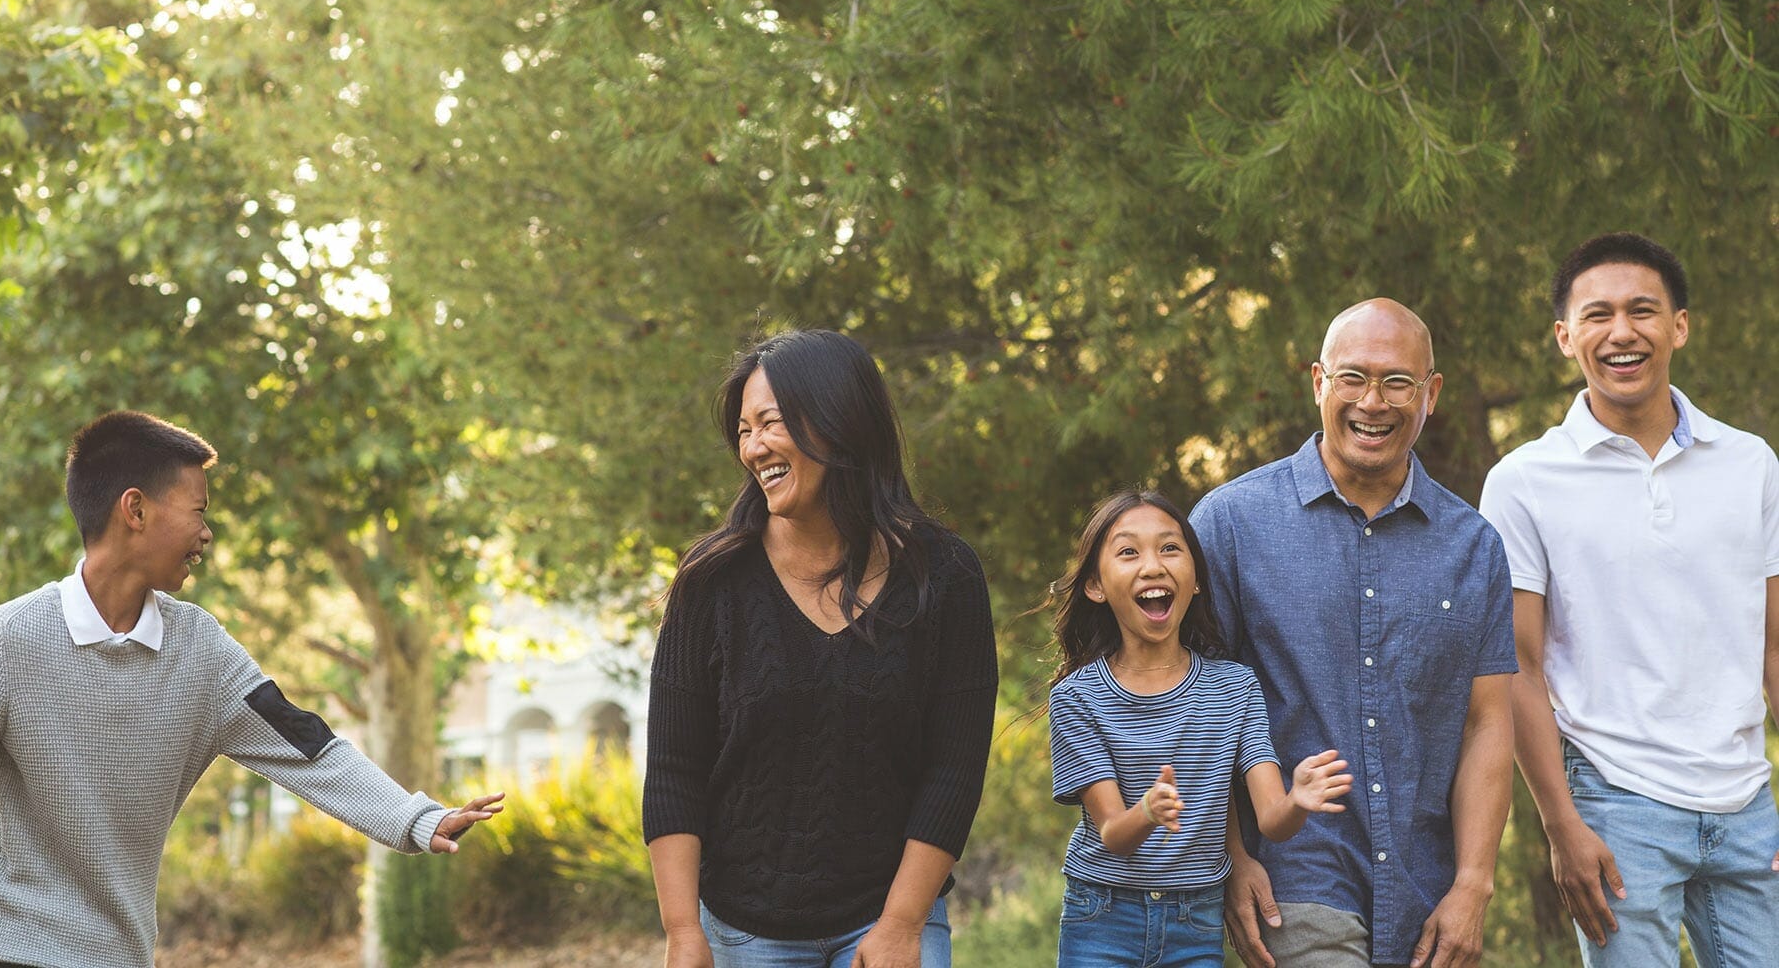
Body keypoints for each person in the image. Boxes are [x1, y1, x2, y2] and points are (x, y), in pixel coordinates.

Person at [0, 411, 503, 968]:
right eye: (198, 511)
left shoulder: (200, 650)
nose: (206, 534)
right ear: (135, 510)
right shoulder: (9, 640)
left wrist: (413, 818)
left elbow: (307, 744)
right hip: (2, 948)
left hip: (118, 955)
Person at [641, 329, 998, 968]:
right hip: (743, 931)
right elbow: (674, 768)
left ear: (840, 420)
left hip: (892, 918)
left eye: (770, 423)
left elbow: (954, 769)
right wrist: (682, 931)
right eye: (744, 431)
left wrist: (901, 924)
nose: (753, 448)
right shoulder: (712, 581)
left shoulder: (945, 574)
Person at [1478, 232, 1779, 967]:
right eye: (1598, 315)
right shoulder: (1523, 481)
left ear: (1679, 326)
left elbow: (1774, 645)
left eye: (1642, 311)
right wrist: (1561, 824)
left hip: (1748, 804)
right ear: (1565, 337)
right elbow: (1518, 665)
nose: (1622, 332)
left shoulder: (1751, 464)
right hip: (1615, 805)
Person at [1189, 299, 1517, 968]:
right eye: (1352, 378)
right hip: (1295, 878)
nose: (1373, 402)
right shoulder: (1230, 524)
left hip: (1427, 891)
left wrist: (1473, 884)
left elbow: (1487, 721)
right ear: (1319, 382)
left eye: (1397, 382)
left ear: (1431, 394)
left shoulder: (1474, 546)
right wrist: (1232, 856)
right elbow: (1191, 706)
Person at [1045, 489, 1352, 968]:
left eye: (1170, 548)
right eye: (1129, 552)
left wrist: (1297, 800)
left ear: (1196, 582)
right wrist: (1147, 811)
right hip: (1102, 916)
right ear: (1095, 586)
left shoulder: (1235, 688)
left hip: (1196, 923)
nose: (1153, 566)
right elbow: (1112, 833)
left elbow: (1272, 820)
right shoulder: (1077, 697)